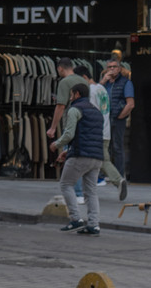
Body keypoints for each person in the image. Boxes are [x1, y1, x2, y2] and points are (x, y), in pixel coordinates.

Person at [49, 82, 103, 236]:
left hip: (81, 155)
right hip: (97, 156)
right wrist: (68, 151)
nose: (70, 97)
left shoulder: (75, 109)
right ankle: (94, 225)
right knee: (91, 191)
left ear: (77, 94)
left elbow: (69, 134)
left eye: (71, 94)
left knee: (66, 184)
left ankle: (76, 219)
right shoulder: (96, 111)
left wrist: (56, 145)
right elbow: (89, 135)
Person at [80, 66, 129, 201]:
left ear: (84, 77)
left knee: (94, 160)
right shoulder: (102, 89)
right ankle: (88, 190)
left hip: (95, 131)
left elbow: (88, 112)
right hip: (105, 130)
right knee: (100, 159)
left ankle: (117, 180)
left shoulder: (89, 91)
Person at [102, 57, 135, 176]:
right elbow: (96, 93)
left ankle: (119, 175)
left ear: (119, 68)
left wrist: (120, 116)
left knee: (117, 147)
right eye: (109, 67)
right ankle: (104, 175)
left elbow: (130, 104)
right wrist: (103, 81)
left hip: (117, 119)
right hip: (105, 119)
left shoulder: (126, 82)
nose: (111, 69)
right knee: (105, 147)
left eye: (114, 67)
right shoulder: (104, 82)